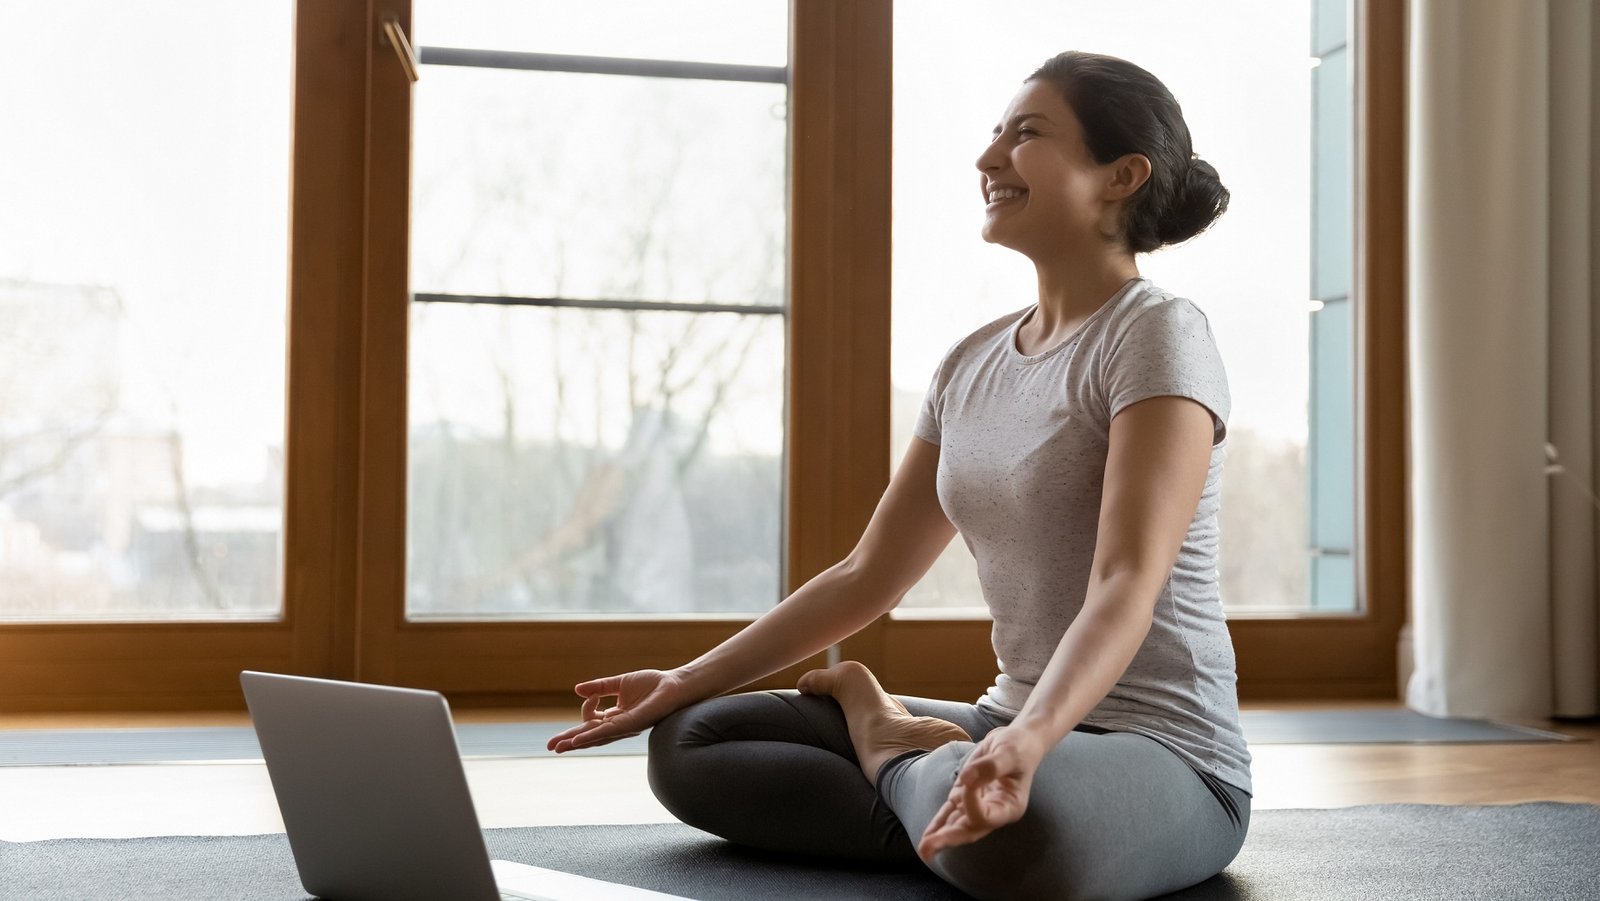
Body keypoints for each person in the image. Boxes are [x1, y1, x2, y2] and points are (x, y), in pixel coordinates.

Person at [548, 50, 1252, 901]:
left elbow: (1126, 579)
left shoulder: (1156, 333)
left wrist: (1028, 743)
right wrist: (682, 679)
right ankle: (942, 796)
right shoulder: (970, 362)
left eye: (1026, 135)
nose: (989, 157)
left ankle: (899, 754)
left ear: (1120, 176)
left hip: (1168, 753)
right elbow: (866, 573)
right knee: (693, 741)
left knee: (1020, 832)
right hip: (1001, 721)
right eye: (994, 133)